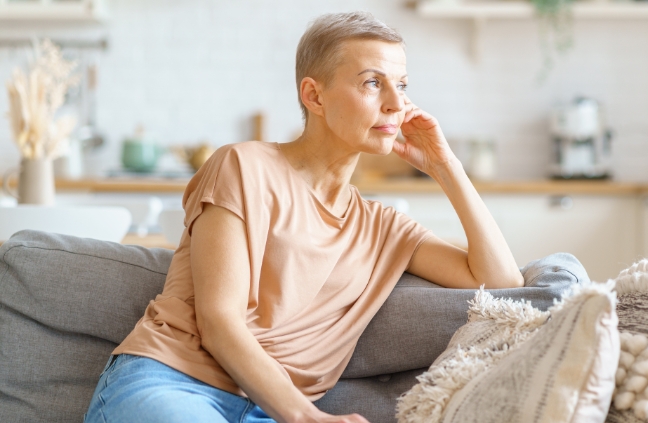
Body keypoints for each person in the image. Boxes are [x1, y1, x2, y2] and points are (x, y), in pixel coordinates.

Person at [85, 11, 524, 423]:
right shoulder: (242, 166)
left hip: (269, 410)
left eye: (402, 85)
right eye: (373, 83)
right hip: (175, 383)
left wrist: (445, 165)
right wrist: (306, 416)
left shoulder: (383, 227)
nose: (396, 103)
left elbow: (502, 281)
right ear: (314, 95)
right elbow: (219, 324)